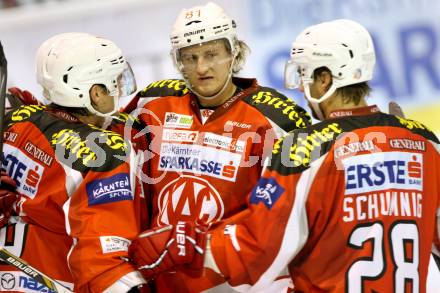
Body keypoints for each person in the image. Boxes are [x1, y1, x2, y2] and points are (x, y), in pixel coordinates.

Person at [128, 19, 440, 292]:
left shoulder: (304, 148)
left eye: (304, 76)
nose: (302, 90)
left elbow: (258, 245)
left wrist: (191, 243)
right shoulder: (425, 141)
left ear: (324, 79)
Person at [124, 2, 311, 292]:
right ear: (177, 61)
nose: (201, 67)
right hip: (161, 277)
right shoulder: (152, 105)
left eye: (211, 54)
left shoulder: (276, 118)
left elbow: (308, 200)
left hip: (239, 282)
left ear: (233, 51)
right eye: (190, 57)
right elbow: (105, 159)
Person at [0, 32, 148, 292]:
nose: (119, 90)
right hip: (52, 279)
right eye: (113, 82)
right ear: (94, 93)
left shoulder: (15, 116)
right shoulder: (102, 152)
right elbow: (102, 260)